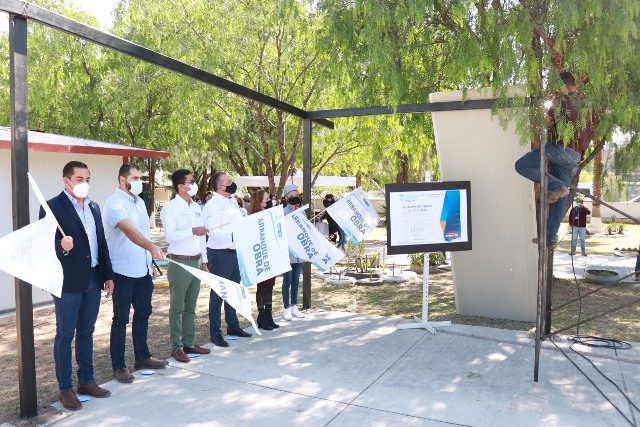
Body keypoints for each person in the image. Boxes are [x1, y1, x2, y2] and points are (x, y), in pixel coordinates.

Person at [39, 161, 115, 411]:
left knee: (87, 331)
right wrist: (61, 246)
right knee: (65, 335)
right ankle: (65, 388)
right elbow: (44, 246)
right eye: (79, 179)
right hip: (67, 282)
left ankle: (86, 381)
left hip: (93, 278)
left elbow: (101, 243)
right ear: (67, 181)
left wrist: (108, 275)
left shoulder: (93, 206)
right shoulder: (51, 207)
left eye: (87, 179)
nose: (84, 183)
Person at [103, 164, 168, 384]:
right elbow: (129, 231)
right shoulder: (114, 203)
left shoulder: (139, 202)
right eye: (135, 178)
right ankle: (119, 366)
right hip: (122, 271)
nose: (140, 181)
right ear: (123, 180)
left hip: (142, 270)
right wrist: (151, 247)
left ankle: (142, 357)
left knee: (144, 313)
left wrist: (150, 262)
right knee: (121, 319)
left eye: (141, 177)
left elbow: (144, 232)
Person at [515, 71, 594, 247]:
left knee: (521, 165)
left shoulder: (561, 101)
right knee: (563, 196)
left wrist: (547, 105)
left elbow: (545, 121)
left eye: (557, 87)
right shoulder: (587, 105)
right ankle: (551, 237)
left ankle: (556, 186)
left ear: (563, 85)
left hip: (562, 150)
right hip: (576, 157)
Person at [160, 169, 211, 363]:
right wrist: (192, 230)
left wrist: (204, 260)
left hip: (196, 261)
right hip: (180, 262)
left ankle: (189, 343)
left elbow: (202, 236)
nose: (194, 184)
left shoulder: (196, 207)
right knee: (177, 307)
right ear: (181, 186)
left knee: (191, 306)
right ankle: (177, 347)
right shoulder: (170, 208)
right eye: (191, 181)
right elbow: (170, 236)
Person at [202, 172, 252, 347]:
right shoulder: (212, 205)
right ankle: (215, 334)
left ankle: (233, 326)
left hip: (235, 252)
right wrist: (234, 235)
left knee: (233, 290)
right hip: (220, 253)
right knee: (218, 293)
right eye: (228, 181)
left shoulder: (232, 201)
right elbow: (212, 231)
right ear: (219, 186)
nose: (231, 183)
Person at [249, 189, 280, 330]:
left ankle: (269, 314)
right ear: (259, 200)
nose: (268, 200)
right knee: (262, 286)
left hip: (270, 253)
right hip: (261, 255)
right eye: (266, 198)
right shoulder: (254, 215)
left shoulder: (268, 213)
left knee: (270, 285)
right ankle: (261, 316)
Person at [281, 184, 306, 321]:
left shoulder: (301, 212)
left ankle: (294, 306)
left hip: (298, 252)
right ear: (286, 198)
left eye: (297, 195)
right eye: (292, 196)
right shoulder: (282, 212)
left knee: (296, 280)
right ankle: (286, 308)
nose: (295, 197)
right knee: (288, 280)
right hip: (287, 252)